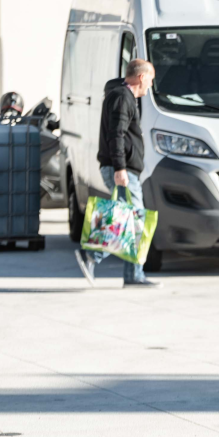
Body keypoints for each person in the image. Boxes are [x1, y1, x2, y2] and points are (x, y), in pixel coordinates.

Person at [74, 58, 162, 289]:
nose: (150, 85)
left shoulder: (124, 97)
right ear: (141, 77)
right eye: (150, 79)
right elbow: (116, 135)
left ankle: (132, 274)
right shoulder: (123, 97)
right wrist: (120, 167)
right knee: (133, 220)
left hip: (124, 169)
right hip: (121, 170)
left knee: (128, 220)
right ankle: (92, 255)